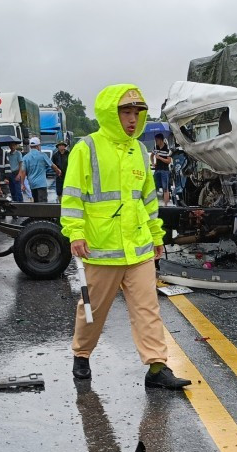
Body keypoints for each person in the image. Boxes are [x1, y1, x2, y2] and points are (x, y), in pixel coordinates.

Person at [60, 85, 191, 390]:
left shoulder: (139, 151)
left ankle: (157, 367)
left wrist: (157, 236)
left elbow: (146, 200)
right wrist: (75, 233)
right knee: (92, 310)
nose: (133, 119)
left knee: (148, 309)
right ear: (110, 113)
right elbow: (72, 196)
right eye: (126, 112)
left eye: (137, 113)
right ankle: (81, 355)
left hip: (138, 249)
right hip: (100, 248)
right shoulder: (87, 148)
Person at [20, 137, 52, 203]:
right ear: (37, 146)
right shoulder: (42, 155)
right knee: (43, 203)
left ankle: (37, 213)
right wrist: (58, 171)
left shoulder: (25, 157)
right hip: (41, 184)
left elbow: (23, 172)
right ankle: (43, 213)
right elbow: (52, 165)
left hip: (32, 184)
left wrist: (22, 184)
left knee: (36, 203)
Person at [150, 133, 173, 205]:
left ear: (161, 140)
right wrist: (153, 163)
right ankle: (154, 204)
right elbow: (151, 156)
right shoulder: (156, 147)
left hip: (165, 170)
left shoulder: (167, 149)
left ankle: (166, 204)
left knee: (165, 188)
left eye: (157, 140)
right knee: (154, 187)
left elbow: (168, 161)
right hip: (157, 169)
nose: (156, 141)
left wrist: (160, 158)